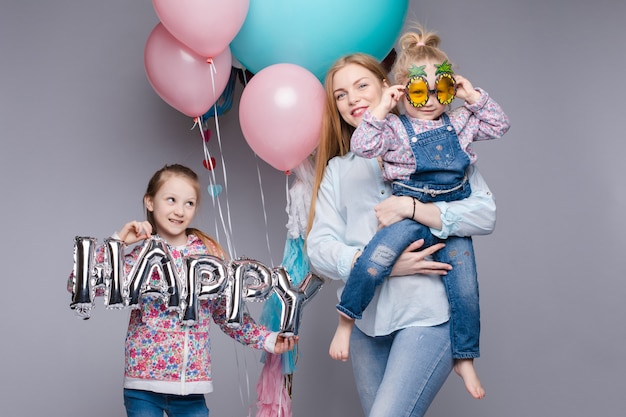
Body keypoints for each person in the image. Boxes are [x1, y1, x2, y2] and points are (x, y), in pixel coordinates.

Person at [306, 51, 497, 415]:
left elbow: (484, 214)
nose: (353, 99)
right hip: (367, 322)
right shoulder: (338, 170)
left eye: (361, 85)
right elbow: (318, 247)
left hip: (428, 314)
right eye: (340, 95)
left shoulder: (443, 145)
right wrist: (379, 262)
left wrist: (413, 209)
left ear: (388, 86)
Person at [68, 164, 297, 417]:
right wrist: (118, 243)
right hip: (142, 385)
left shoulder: (209, 256)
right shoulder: (138, 257)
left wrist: (267, 339)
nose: (179, 211)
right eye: (171, 200)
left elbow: (227, 313)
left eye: (189, 203)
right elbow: (78, 285)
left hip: (191, 387)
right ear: (150, 202)